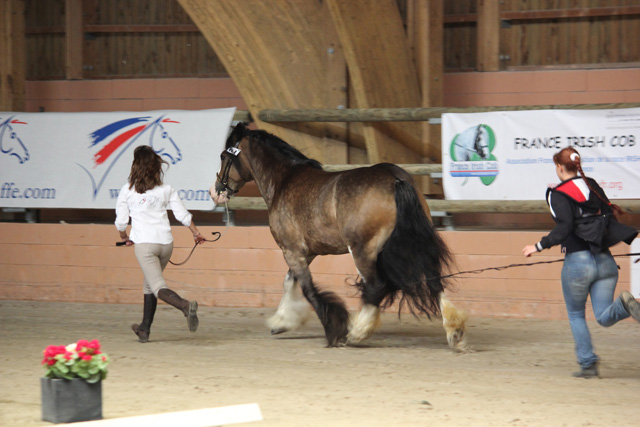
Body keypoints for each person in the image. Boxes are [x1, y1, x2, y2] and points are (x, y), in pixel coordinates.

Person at [522, 147, 639, 378]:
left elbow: (564, 227)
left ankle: (588, 365)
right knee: (604, 316)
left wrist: (537, 246)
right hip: (605, 261)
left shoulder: (556, 194)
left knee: (576, 314)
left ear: (559, 167)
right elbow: (607, 218)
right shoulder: (592, 185)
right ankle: (624, 305)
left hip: (578, 263)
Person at [115, 145, 206, 343]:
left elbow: (121, 222)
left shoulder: (127, 190)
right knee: (149, 285)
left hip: (145, 246)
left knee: (157, 286)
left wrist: (124, 236)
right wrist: (196, 233)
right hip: (166, 244)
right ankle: (144, 329)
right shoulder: (167, 189)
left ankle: (184, 305)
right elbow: (182, 215)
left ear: (135, 166)